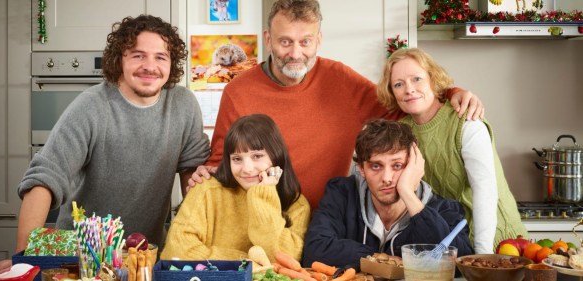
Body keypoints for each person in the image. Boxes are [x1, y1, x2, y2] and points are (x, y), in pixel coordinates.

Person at [189, 0, 485, 209]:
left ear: (318, 40)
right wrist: (207, 173)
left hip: (327, 223)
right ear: (268, 39)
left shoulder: (341, 78)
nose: (295, 53)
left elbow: (402, 104)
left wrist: (449, 92)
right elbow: (223, 162)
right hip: (260, 222)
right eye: (285, 42)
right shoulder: (238, 90)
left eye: (305, 42)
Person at [0, 14, 210, 272]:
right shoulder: (91, 106)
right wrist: (26, 260)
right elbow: (45, 178)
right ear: (120, 59)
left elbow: (193, 175)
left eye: (160, 57)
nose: (150, 66)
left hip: (142, 258)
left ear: (171, 63)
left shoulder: (184, 105)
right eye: (137, 55)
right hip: (80, 259)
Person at [376, 47, 527, 254]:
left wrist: (482, 256)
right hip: (451, 245)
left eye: (417, 79)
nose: (409, 89)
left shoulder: (466, 122)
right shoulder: (402, 132)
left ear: (432, 79)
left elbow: (484, 190)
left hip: (498, 244)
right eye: (399, 84)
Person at [301, 119, 474, 268]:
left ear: (414, 166)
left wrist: (407, 193)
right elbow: (314, 251)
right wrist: (382, 260)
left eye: (397, 166)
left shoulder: (445, 210)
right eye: (376, 166)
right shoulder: (341, 193)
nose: (387, 178)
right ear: (361, 168)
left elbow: (458, 264)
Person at [160, 114, 310, 261]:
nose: (247, 169)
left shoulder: (297, 205)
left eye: (257, 156)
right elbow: (176, 251)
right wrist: (247, 265)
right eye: (237, 159)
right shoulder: (206, 190)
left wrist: (263, 195)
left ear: (277, 156)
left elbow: (285, 259)